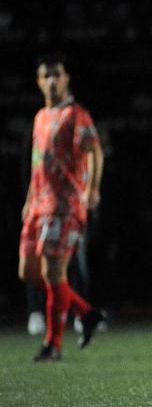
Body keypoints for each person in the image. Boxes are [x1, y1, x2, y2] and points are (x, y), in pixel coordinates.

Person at [19, 55, 107, 361]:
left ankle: (52, 344)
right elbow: (38, 162)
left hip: (64, 204)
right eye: (46, 76)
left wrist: (92, 188)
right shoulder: (41, 116)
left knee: (55, 272)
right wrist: (30, 198)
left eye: (57, 75)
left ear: (67, 78)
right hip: (39, 203)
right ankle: (86, 313)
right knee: (29, 271)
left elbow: (94, 151)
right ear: (39, 81)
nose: (52, 81)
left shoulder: (75, 114)